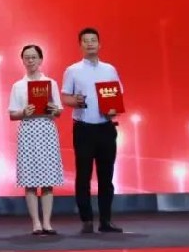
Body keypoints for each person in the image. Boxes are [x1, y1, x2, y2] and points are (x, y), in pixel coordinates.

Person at [62, 27, 124, 234]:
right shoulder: (73, 70)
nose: (90, 44)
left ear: (99, 44)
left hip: (106, 127)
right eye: (86, 41)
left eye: (93, 40)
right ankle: (86, 220)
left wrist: (114, 109)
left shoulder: (110, 69)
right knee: (84, 176)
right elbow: (65, 97)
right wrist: (75, 101)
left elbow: (117, 94)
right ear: (80, 45)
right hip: (84, 129)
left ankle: (106, 220)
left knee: (106, 176)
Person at [7, 45, 65, 235]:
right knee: (30, 180)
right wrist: (23, 112)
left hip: (46, 130)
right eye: (27, 57)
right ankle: (36, 223)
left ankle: (47, 222)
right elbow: (12, 114)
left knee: (48, 181)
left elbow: (59, 111)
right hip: (28, 131)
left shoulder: (51, 83)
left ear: (40, 60)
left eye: (34, 57)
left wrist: (53, 110)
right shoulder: (18, 86)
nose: (30, 60)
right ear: (22, 61)